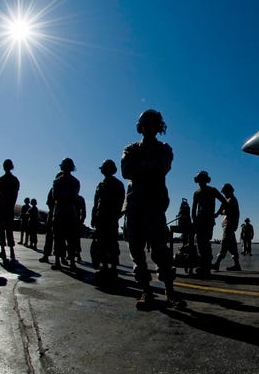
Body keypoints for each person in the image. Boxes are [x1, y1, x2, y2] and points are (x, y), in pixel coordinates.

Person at [121, 109, 185, 308]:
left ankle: (170, 291)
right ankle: (146, 292)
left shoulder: (164, 149)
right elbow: (126, 171)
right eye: (145, 124)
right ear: (140, 127)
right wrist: (149, 168)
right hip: (134, 207)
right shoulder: (131, 149)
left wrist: (141, 168)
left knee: (161, 252)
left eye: (152, 124)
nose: (148, 128)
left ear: (158, 127)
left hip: (154, 207)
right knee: (136, 252)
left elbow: (161, 168)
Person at [91, 159, 125, 281]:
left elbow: (122, 202)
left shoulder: (118, 184)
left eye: (106, 169)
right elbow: (96, 203)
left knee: (112, 243)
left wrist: (117, 215)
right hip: (101, 218)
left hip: (111, 218)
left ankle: (113, 268)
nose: (105, 171)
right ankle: (104, 267)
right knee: (101, 244)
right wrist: (93, 217)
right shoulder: (100, 185)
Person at [191, 170, 227, 278]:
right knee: (202, 245)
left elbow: (224, 202)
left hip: (206, 222)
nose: (201, 182)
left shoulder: (212, 191)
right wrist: (194, 221)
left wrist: (217, 213)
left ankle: (205, 268)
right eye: (200, 180)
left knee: (204, 245)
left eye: (202, 180)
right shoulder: (197, 193)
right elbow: (193, 209)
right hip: (201, 222)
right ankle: (205, 267)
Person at [51, 158, 81, 271]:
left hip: (60, 213)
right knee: (70, 238)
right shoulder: (75, 182)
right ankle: (71, 262)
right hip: (70, 213)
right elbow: (73, 197)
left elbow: (55, 197)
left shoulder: (57, 182)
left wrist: (63, 196)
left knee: (59, 238)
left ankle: (58, 261)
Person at [212, 183, 241, 271]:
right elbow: (222, 206)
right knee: (232, 247)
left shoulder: (231, 200)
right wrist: (218, 213)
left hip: (229, 226)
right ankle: (237, 265)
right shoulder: (228, 199)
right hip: (229, 226)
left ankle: (217, 264)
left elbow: (226, 210)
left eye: (224, 191)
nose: (224, 193)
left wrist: (219, 213)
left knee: (224, 245)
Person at [0, 159, 20, 261]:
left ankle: (2, 250)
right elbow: (15, 196)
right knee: (9, 230)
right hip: (10, 208)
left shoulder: (1, 179)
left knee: (2, 230)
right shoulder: (15, 180)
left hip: (2, 208)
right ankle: (12, 252)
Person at [39, 181, 57, 263]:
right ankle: (59, 258)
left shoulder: (54, 188)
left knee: (52, 237)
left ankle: (47, 255)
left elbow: (49, 202)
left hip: (56, 214)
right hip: (58, 214)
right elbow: (49, 202)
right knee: (54, 237)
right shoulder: (53, 189)